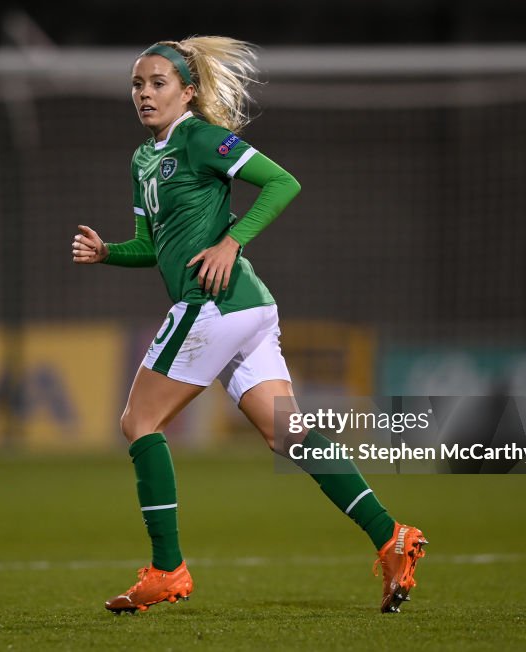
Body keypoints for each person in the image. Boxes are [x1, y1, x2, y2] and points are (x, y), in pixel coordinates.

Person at [71, 36, 427, 615]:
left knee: (139, 422)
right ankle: (392, 538)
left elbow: (283, 182)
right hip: (249, 311)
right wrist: (108, 251)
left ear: (188, 91)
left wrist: (231, 242)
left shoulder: (203, 138)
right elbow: (150, 245)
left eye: (158, 82)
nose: (144, 93)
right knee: (288, 435)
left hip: (214, 304)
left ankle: (167, 569)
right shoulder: (144, 159)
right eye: (137, 83)